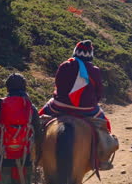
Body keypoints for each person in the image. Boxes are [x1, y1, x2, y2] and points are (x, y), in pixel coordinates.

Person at [40, 40, 118, 171]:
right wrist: (92, 101)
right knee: (105, 125)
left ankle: (32, 153)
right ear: (90, 55)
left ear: (75, 52)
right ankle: (102, 159)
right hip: (86, 110)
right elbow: (99, 92)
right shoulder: (95, 70)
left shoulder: (65, 66)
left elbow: (58, 85)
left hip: (60, 106)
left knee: (39, 117)